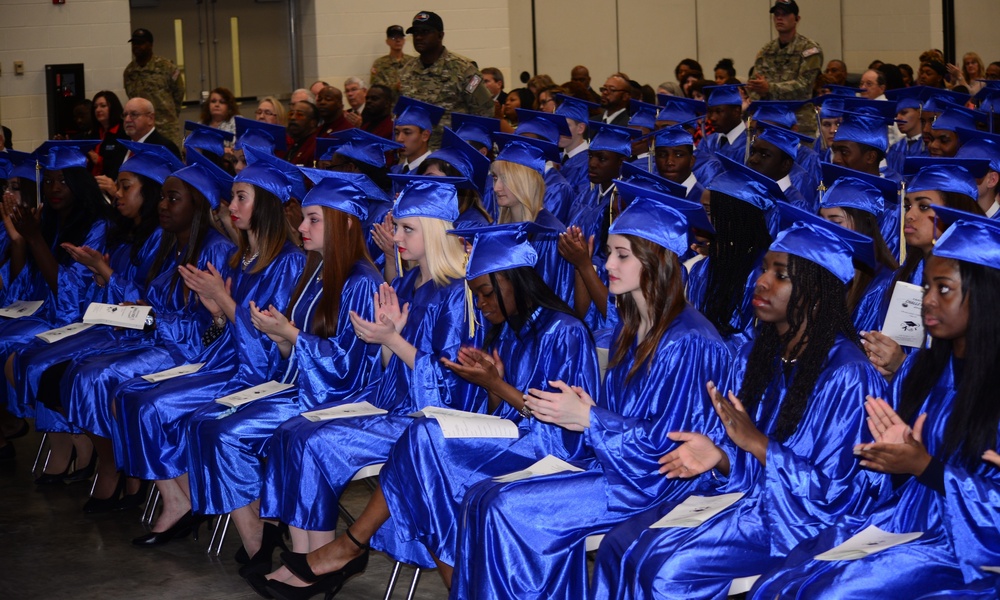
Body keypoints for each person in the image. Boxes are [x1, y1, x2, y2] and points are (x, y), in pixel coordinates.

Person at [276, 222, 600, 597]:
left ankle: (350, 545)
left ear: (512, 281)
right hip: (515, 438)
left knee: (423, 446)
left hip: (553, 450)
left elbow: (561, 425)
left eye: (484, 293)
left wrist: (495, 384)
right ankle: (432, 575)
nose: (480, 304)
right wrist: (489, 381)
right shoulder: (511, 328)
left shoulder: (564, 331)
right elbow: (499, 410)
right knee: (423, 452)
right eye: (477, 296)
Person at [449, 187, 730, 599]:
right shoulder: (632, 325)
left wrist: (589, 418)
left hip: (657, 483)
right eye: (610, 253)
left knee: (506, 507)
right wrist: (586, 411)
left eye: (621, 255)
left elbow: (670, 445)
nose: (607, 264)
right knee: (482, 495)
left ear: (656, 259)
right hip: (618, 466)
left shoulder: (688, 339)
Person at [593, 206, 886, 600]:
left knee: (667, 573)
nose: (761, 281)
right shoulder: (753, 354)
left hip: (798, 522)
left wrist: (758, 445)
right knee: (624, 546)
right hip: (743, 499)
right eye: (764, 269)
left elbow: (836, 494)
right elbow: (740, 457)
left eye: (780, 275)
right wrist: (719, 455)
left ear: (816, 292)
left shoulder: (847, 374)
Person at [750, 211, 1000, 598]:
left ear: (986, 295)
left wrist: (925, 467)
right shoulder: (923, 368)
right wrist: (892, 462)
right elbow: (878, 484)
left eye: (943, 289)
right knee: (782, 580)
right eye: (928, 286)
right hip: (901, 523)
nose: (927, 300)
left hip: (966, 554)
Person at [256, 179, 484, 599]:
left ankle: (321, 564)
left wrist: (394, 339)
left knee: (319, 442)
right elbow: (386, 366)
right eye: (396, 228)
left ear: (434, 231)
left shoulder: (459, 295)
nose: (394, 237)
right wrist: (385, 341)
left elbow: (454, 384)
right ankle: (309, 556)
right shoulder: (404, 284)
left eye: (406, 229)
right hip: (389, 401)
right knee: (294, 429)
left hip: (424, 420)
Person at [185, 173, 383, 583]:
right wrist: (280, 336)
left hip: (336, 399)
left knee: (252, 433)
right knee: (208, 421)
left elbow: (351, 368)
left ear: (345, 223)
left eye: (313, 220)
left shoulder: (362, 281)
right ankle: (285, 544)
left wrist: (291, 335)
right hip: (300, 387)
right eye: (303, 219)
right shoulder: (316, 271)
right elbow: (298, 354)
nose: (301, 228)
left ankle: (303, 553)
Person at [114, 151, 305, 547]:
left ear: (266, 205)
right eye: (232, 197)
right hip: (224, 364)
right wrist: (216, 314)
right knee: (133, 395)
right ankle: (181, 500)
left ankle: (255, 533)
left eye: (241, 198)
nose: (231, 207)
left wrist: (224, 301)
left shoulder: (287, 264)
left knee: (169, 411)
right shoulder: (240, 258)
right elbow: (213, 337)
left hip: (262, 376)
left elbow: (274, 350)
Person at [49, 152, 236, 508]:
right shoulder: (175, 245)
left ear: (196, 205)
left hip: (191, 355)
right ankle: (125, 471)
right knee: (82, 370)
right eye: (162, 197)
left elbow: (205, 331)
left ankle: (130, 475)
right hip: (161, 341)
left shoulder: (216, 251)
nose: (162, 205)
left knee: (99, 377)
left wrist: (150, 316)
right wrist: (118, 286)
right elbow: (153, 305)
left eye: (172, 198)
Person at [860, 157, 986, 380]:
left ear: (954, 211)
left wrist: (903, 364)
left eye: (924, 206)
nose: (909, 215)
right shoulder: (899, 277)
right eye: (908, 205)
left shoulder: (979, 281)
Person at [819, 162, 900, 334]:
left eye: (836, 222)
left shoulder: (882, 285)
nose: (825, 231)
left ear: (864, 225)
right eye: (822, 221)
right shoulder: (825, 270)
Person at [397, 11, 494, 148]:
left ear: (440, 36)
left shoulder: (465, 70)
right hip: (415, 154)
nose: (418, 37)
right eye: (415, 33)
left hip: (451, 153)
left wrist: (470, 147)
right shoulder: (406, 70)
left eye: (425, 32)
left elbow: (484, 112)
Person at [745, 0, 823, 136]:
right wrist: (759, 89)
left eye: (785, 14)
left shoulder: (809, 49)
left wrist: (769, 88)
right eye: (776, 14)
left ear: (797, 19)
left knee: (803, 157)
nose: (780, 18)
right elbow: (754, 85)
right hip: (769, 120)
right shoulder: (766, 50)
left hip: (799, 122)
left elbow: (804, 85)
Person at [123, 28, 185, 148]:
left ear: (150, 45)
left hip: (167, 129)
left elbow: (179, 93)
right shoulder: (130, 72)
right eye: (134, 43)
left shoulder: (166, 67)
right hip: (141, 131)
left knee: (172, 162)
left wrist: (169, 117)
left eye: (141, 43)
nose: (136, 46)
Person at [745, 124, 815, 211]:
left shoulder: (796, 206)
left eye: (764, 155)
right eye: (752, 152)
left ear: (786, 164)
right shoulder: (749, 192)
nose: (753, 159)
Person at [391, 96, 442, 174]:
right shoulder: (395, 171)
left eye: (407, 133)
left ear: (425, 136)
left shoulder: (436, 174)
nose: (399, 139)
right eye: (397, 133)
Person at [87, 91, 128, 181]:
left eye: (103, 106)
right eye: (95, 107)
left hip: (112, 182)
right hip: (91, 182)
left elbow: (120, 163)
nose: (98, 110)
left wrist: (99, 160)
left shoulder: (124, 133)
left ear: (113, 107)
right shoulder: (93, 133)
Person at [884, 87, 927, 174]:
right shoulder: (895, 148)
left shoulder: (928, 147)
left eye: (904, 113)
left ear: (919, 113)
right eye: (896, 114)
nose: (898, 118)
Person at [370, 25, 413, 93]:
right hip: (389, 102)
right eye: (393, 38)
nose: (398, 40)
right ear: (387, 41)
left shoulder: (412, 62)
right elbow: (376, 88)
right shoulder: (379, 64)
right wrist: (395, 87)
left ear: (404, 40)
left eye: (400, 37)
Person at [284, 101, 319, 166]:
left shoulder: (316, 148)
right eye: (291, 114)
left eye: (299, 115)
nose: (293, 118)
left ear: (313, 122)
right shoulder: (291, 146)